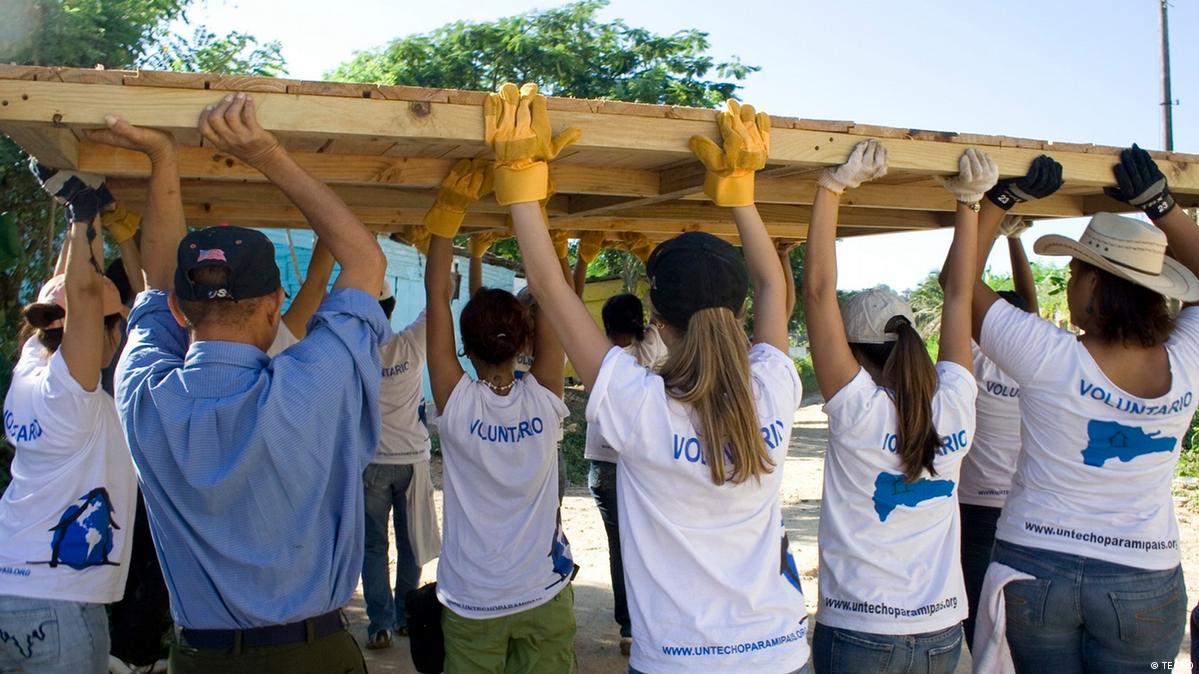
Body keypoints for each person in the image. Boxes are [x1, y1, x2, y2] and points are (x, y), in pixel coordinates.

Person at [501, 84, 811, 673]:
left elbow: (546, 290)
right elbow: (776, 287)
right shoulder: (772, 387)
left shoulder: (639, 404)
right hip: (779, 652)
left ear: (659, 323)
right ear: (738, 311)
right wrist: (742, 197)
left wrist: (521, 180)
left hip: (679, 661)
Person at [103, 93, 388, 673]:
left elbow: (156, 290)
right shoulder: (313, 381)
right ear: (274, 305)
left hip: (201, 658)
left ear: (182, 312)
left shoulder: (141, 389)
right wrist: (265, 152)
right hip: (314, 654)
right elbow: (365, 261)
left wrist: (165, 160)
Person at [972, 145, 1199, 671]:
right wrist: (1159, 202)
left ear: (1094, 283)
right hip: (1142, 576)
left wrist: (1001, 200)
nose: (1071, 282)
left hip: (1035, 564)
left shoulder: (1047, 356)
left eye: (1075, 272)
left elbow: (959, 287)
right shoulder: (1186, 358)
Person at [805, 141, 994, 673]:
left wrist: (834, 187)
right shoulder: (956, 400)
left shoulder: (859, 406)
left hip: (862, 629)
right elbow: (960, 296)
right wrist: (969, 201)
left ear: (856, 354)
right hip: (940, 631)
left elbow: (819, 291)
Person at [423, 158, 577, 672]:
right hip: (544, 594)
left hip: (473, 602)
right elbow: (553, 294)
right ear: (527, 339)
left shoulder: (456, 402)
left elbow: (435, 298)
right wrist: (543, 221)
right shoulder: (546, 397)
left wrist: (445, 220)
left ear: (464, 345)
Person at [0, 214, 136, 674]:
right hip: (58, 601)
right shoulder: (71, 391)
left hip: (9, 583)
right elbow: (79, 296)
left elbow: (65, 288)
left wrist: (86, 222)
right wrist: (80, 213)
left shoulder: (31, 364)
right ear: (106, 331)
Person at [956, 196, 1051, 649]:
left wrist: (1004, 236)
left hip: (975, 508)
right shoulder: (1036, 366)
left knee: (977, 617)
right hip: (1025, 508)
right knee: (1020, 621)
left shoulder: (970, 361)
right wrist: (1016, 240)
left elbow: (963, 286)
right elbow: (1028, 305)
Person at [583, 290, 669, 654]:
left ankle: (629, 628)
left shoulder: (603, 359)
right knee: (654, 546)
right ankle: (657, 622)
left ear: (606, 326)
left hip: (606, 467)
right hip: (648, 464)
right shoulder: (656, 352)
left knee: (619, 549)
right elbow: (660, 318)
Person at [361, 282, 438, 650]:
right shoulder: (410, 344)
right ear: (391, 309)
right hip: (411, 462)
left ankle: (379, 624)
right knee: (410, 544)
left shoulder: (356, 354)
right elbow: (438, 303)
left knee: (373, 547)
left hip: (371, 463)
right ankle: (406, 618)